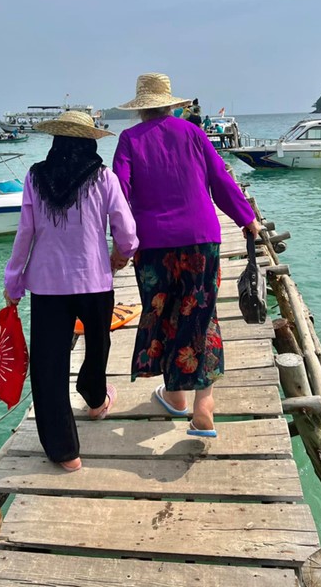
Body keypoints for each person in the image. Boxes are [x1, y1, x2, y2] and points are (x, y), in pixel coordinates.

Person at [112, 73, 261, 437]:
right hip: (201, 239)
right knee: (201, 314)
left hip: (153, 245)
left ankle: (176, 397)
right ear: (170, 103)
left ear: (140, 109)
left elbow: (119, 193)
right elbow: (221, 180)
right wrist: (246, 219)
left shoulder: (129, 139)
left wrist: (121, 244)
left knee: (162, 313)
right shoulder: (193, 133)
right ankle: (203, 404)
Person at [3, 111, 138, 472]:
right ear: (89, 142)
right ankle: (95, 401)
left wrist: (13, 282)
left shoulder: (36, 177)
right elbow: (125, 229)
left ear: (56, 142)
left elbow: (25, 233)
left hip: (47, 287)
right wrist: (122, 254)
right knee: (98, 347)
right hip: (95, 281)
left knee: (49, 366)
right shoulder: (103, 177)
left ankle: (66, 454)